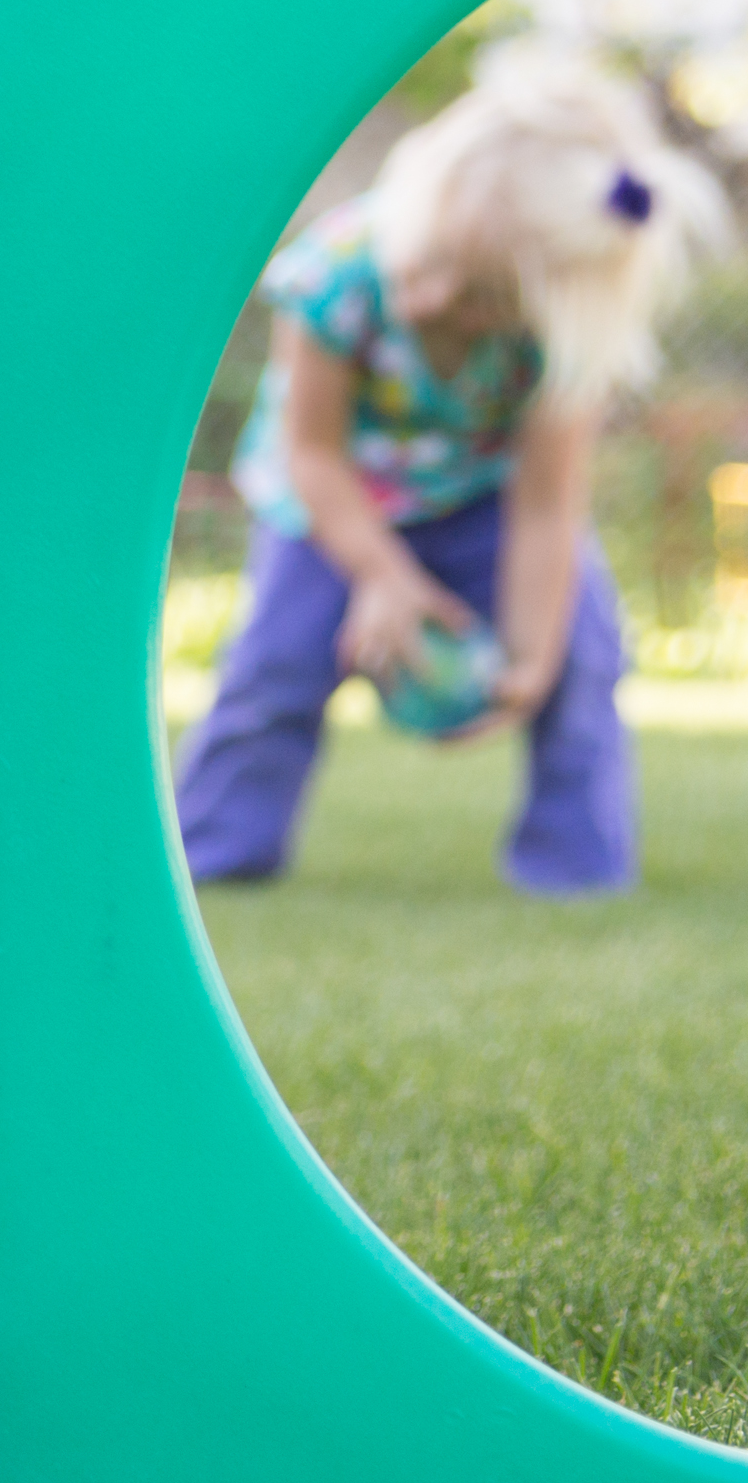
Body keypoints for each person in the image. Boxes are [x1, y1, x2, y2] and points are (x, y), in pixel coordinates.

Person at [175, 52, 726, 893]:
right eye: (432, 260)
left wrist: (531, 660)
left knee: (582, 657)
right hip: (325, 503)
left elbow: (546, 508)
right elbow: (311, 455)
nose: (430, 300)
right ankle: (218, 853)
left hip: (479, 501)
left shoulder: (561, 341)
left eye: (477, 295)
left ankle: (574, 869)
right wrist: (382, 576)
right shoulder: (337, 273)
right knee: (274, 669)